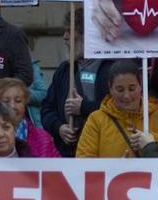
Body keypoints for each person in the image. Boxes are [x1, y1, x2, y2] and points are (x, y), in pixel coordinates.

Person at [76, 60, 158, 158]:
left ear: (141, 86)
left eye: (132, 89)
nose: (126, 96)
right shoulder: (96, 120)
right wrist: (115, 168)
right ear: (110, 88)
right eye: (120, 90)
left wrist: (152, 141)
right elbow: (84, 160)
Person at [41, 13, 111, 156]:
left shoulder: (110, 68)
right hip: (68, 151)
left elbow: (119, 109)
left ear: (87, 35)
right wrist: (59, 127)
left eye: (70, 31)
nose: (64, 37)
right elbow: (47, 108)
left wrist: (83, 107)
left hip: (101, 150)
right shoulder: (64, 70)